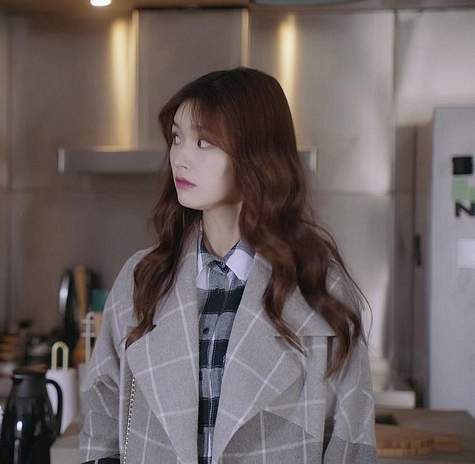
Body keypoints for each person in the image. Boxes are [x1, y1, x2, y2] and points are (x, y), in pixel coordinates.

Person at [79, 67, 376, 463]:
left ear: (257, 155)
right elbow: (101, 416)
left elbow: (350, 442)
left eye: (204, 141)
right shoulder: (143, 278)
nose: (180, 158)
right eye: (177, 138)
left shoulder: (318, 286)